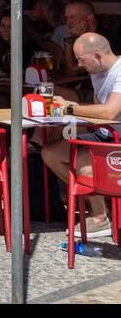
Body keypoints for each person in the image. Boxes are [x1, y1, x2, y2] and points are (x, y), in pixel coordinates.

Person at [43, 33, 121, 233]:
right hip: (106, 135)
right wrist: (76, 110)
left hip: (117, 140)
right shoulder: (97, 71)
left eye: (80, 59)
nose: (78, 64)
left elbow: (109, 111)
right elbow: (99, 109)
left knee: (84, 165)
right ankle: (99, 200)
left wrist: (70, 109)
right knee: (50, 153)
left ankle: (99, 216)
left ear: (97, 55)